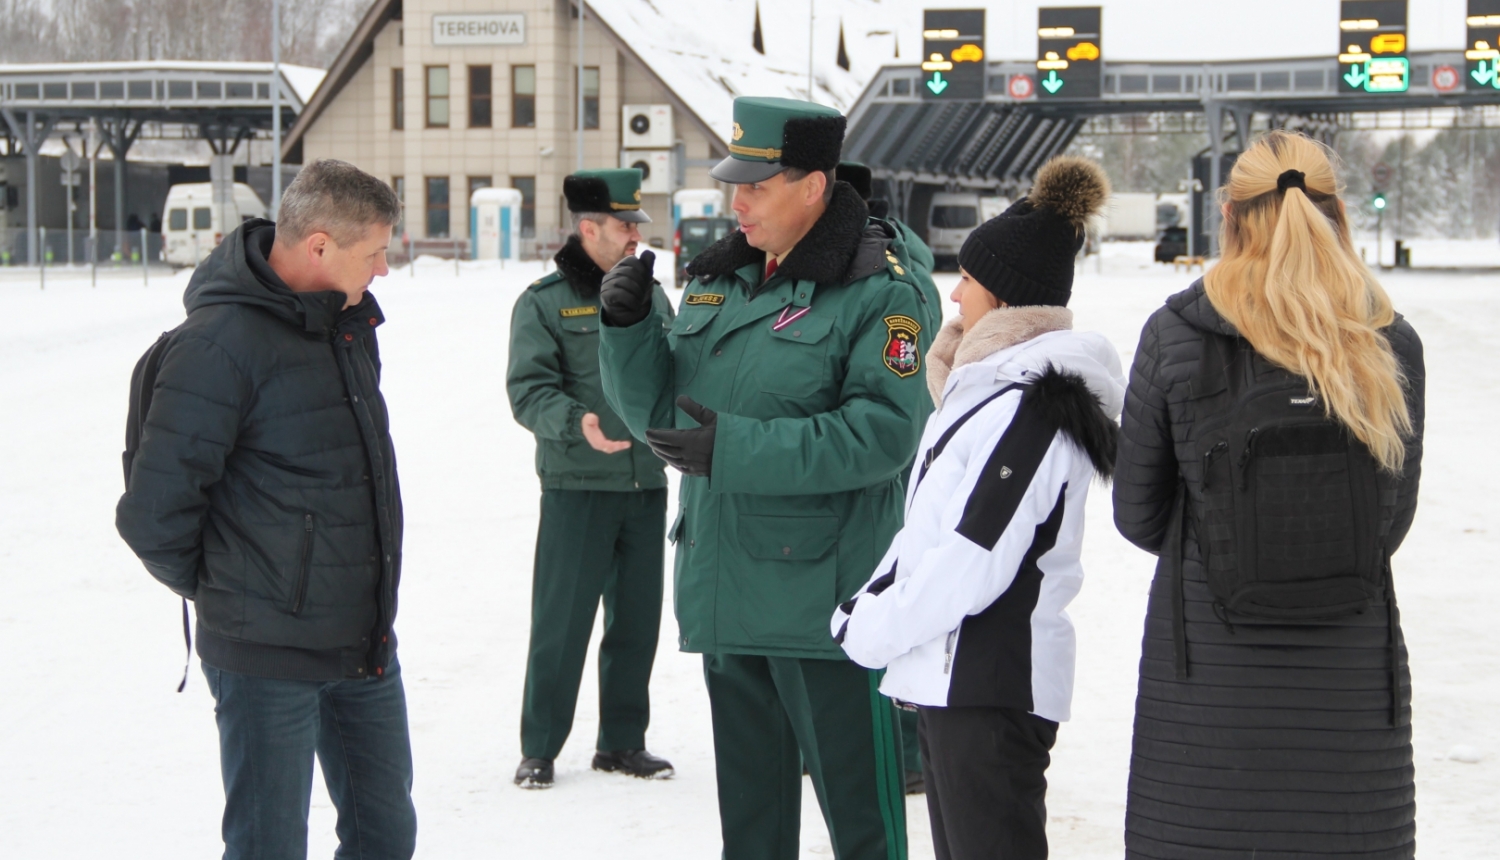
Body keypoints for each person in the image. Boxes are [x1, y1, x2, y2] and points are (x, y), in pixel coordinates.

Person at [596, 96, 929, 860]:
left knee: (863, 823)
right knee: (752, 826)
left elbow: (883, 435)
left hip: (825, 611)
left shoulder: (881, 294)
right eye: (732, 184)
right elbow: (665, 418)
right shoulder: (725, 280)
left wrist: (736, 450)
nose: (735, 202)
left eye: (756, 185)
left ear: (814, 185)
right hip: (730, 591)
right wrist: (627, 335)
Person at [1111, 130, 1425, 858]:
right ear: (1337, 214)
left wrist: (1224, 540)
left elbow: (1137, 512)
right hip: (1348, 698)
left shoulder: (1176, 335)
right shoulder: (1388, 342)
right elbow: (1390, 520)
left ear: (1228, 216)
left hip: (1209, 702)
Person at [116, 160, 416, 859]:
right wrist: (238, 592)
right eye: (374, 252)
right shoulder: (217, 347)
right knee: (268, 846)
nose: (383, 268)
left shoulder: (345, 324)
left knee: (384, 837)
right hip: (265, 658)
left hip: (363, 642)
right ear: (318, 246)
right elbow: (153, 514)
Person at [833, 157, 1121, 860]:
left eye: (968, 278)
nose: (954, 292)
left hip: (988, 685)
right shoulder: (986, 395)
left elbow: (971, 555)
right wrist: (874, 602)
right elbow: (927, 534)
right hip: (953, 680)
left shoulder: (1030, 406)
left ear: (1003, 296)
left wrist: (877, 625)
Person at [506, 168, 676, 789]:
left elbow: (671, 369)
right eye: (624, 225)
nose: (635, 235)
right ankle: (540, 747)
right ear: (588, 228)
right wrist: (576, 422)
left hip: (645, 484)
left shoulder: (653, 296)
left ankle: (623, 743)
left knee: (636, 623)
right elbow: (527, 390)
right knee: (562, 622)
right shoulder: (544, 302)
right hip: (578, 486)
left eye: (637, 224)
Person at [837, 159, 942, 794]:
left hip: (893, 461)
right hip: (914, 452)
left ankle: (900, 752)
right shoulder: (907, 260)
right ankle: (900, 748)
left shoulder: (886, 276)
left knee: (884, 604)